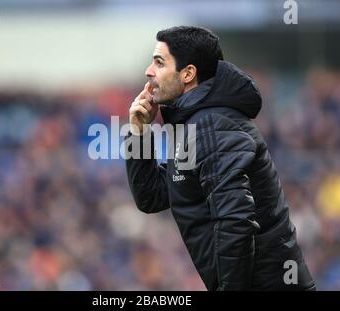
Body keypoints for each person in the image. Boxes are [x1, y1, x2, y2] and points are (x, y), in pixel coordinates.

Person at [125, 26, 316, 291]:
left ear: (188, 73)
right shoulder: (194, 124)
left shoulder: (213, 124)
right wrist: (139, 133)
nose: (149, 71)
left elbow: (235, 220)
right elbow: (151, 197)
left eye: (159, 62)